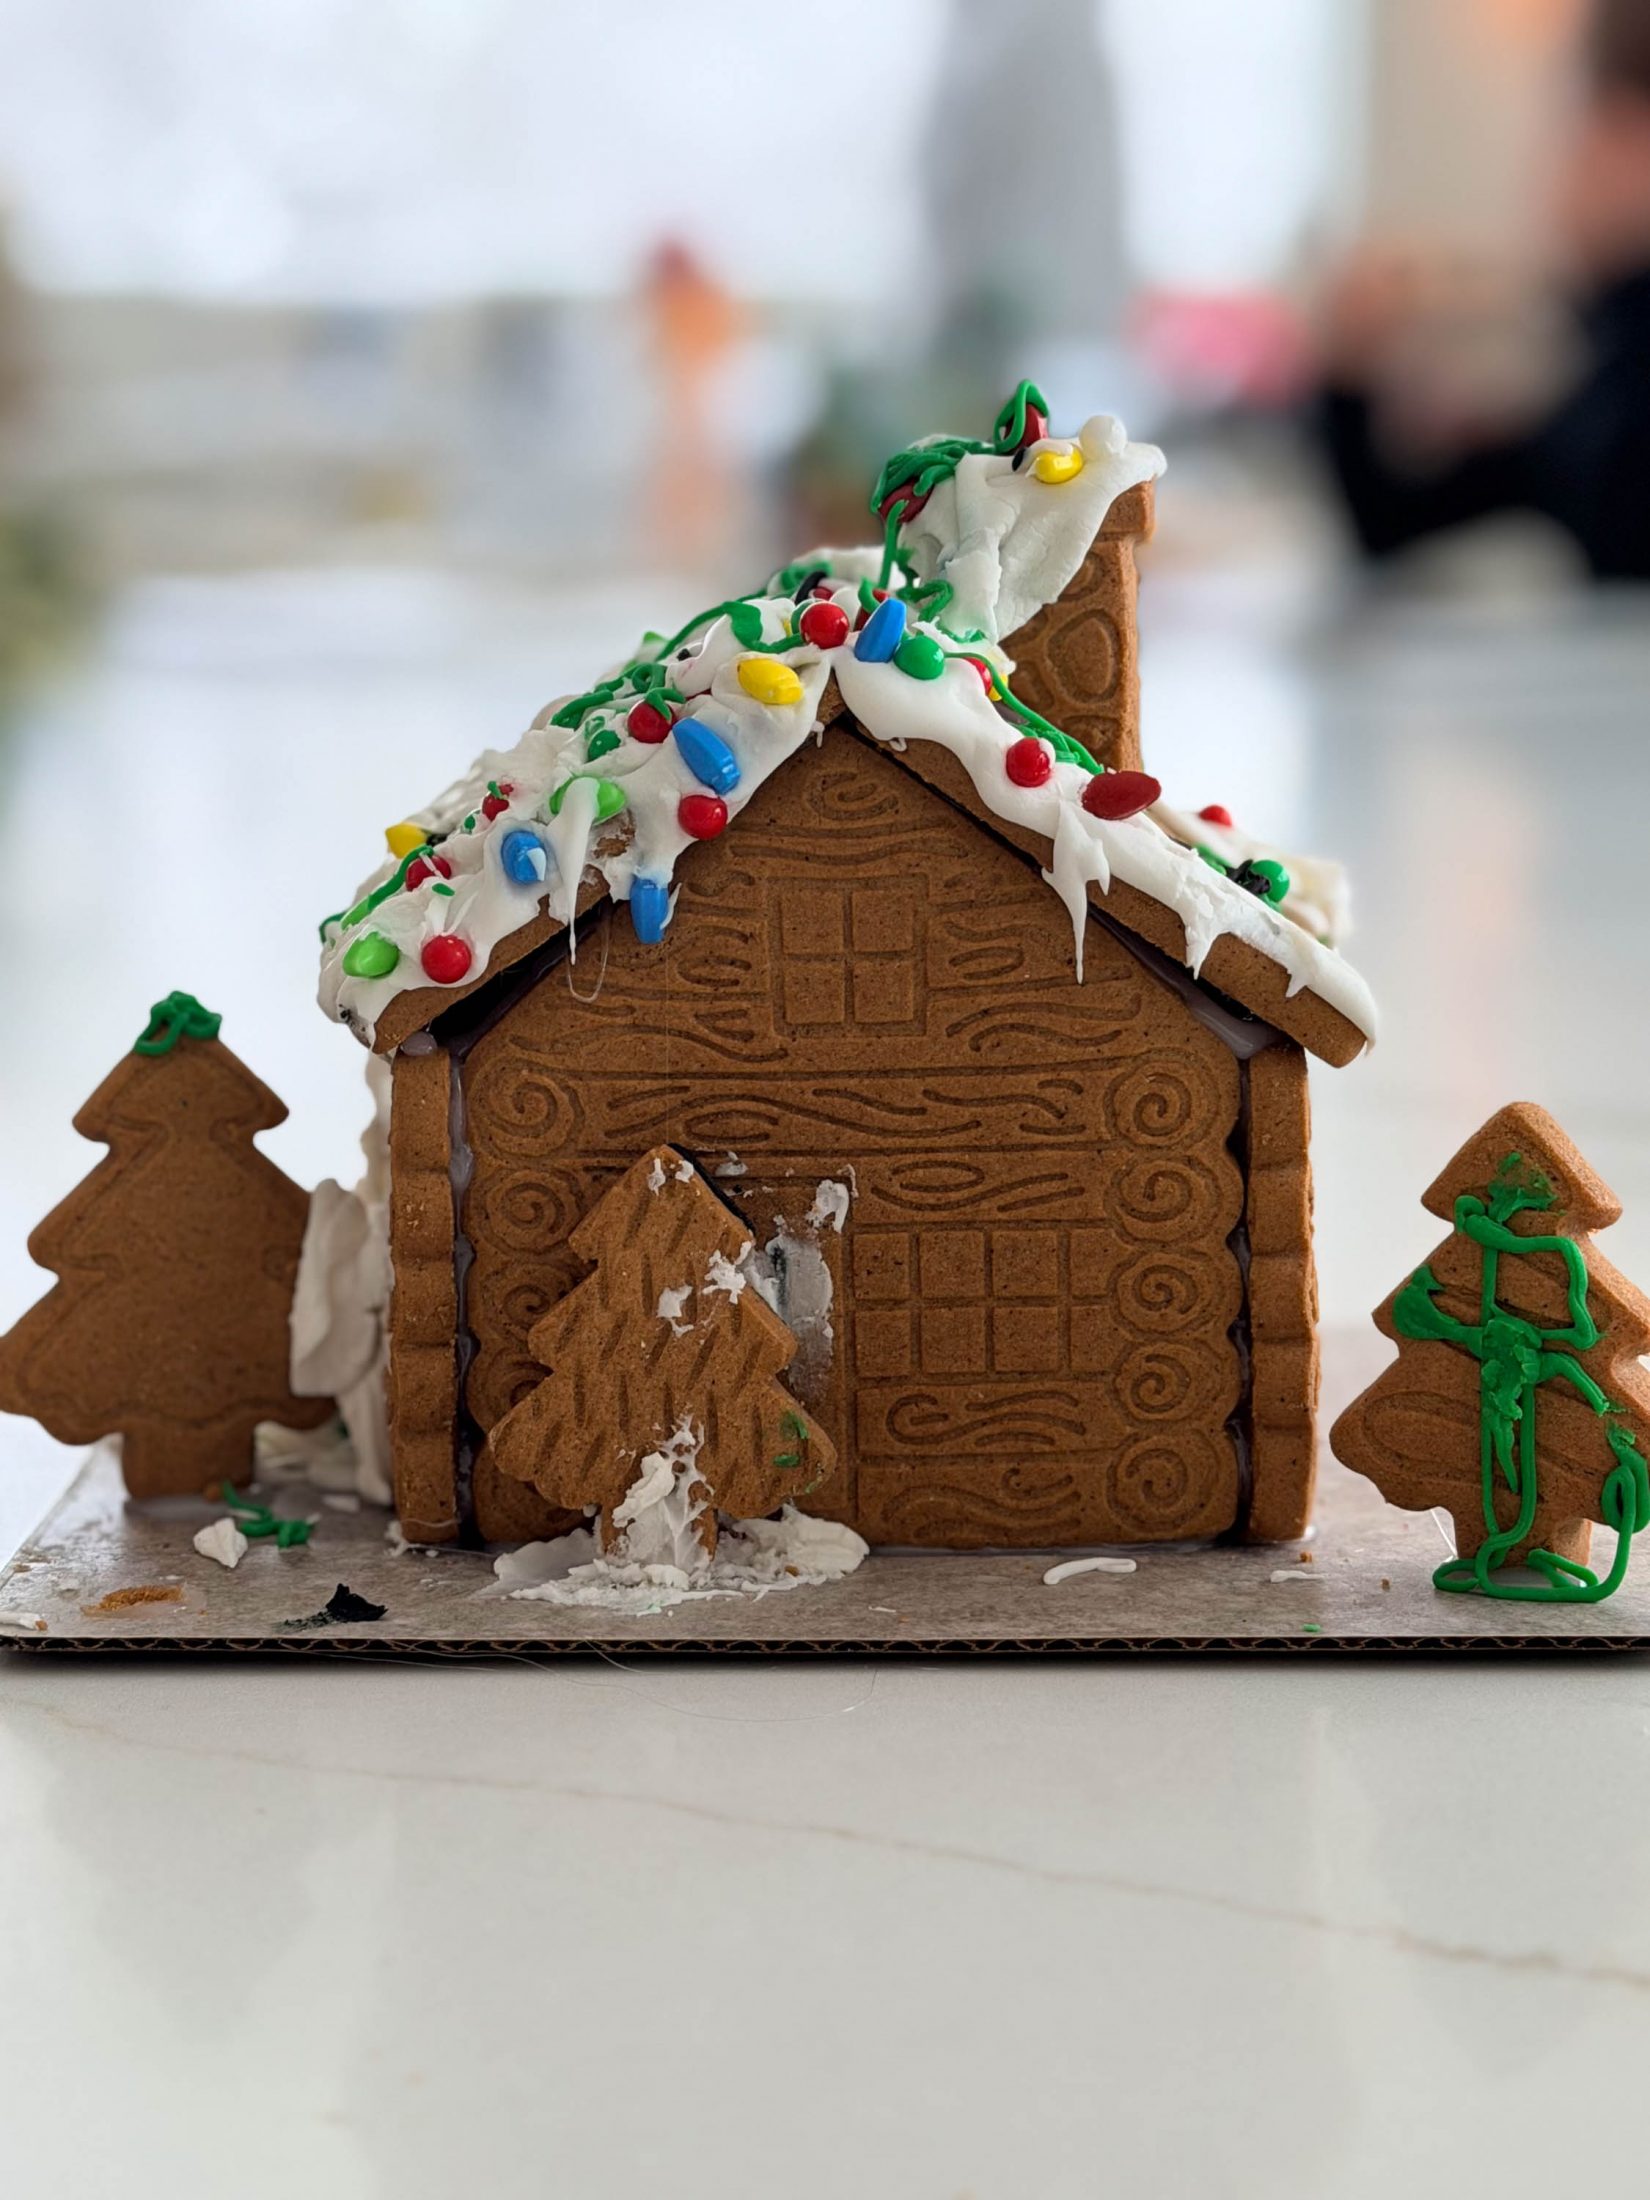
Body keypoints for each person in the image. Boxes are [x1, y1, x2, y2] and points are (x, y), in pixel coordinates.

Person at [1317, 0, 1650, 579]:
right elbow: (1392, 521)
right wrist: (1350, 376)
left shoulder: (1615, 384)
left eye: (1586, 130)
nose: (1556, 175)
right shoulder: (1597, 386)